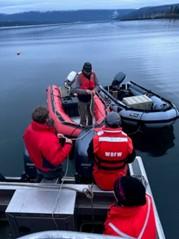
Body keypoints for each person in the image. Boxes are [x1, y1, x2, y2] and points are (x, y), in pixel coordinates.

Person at [88, 111, 136, 190]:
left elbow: (90, 156)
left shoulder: (96, 139)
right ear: (120, 124)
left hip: (99, 180)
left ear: (106, 123)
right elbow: (131, 159)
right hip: (119, 181)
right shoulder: (127, 140)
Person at [23, 106, 72, 180]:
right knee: (54, 177)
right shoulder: (48, 140)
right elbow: (57, 160)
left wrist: (56, 136)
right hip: (49, 168)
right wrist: (68, 144)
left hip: (38, 161)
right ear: (46, 119)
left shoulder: (29, 129)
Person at [71, 62, 99, 126]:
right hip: (82, 100)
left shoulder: (93, 75)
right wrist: (85, 91)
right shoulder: (79, 77)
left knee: (91, 115)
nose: (88, 73)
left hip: (91, 99)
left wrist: (95, 90)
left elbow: (98, 85)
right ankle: (82, 127)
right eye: (87, 71)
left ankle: (90, 126)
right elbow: (75, 90)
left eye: (89, 71)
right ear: (83, 70)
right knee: (83, 116)